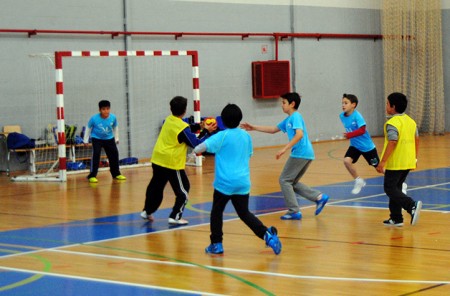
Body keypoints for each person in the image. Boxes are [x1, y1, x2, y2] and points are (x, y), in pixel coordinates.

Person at [194, 103, 281, 255]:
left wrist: (205, 136)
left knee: (216, 212)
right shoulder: (246, 136)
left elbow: (198, 148)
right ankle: (266, 235)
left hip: (224, 184)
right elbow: (249, 154)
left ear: (223, 121)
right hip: (242, 183)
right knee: (244, 214)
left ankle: (216, 244)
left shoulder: (221, 136)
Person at [241, 92, 329, 220]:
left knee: (284, 180)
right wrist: (253, 127)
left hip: (300, 153)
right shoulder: (289, 119)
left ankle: (294, 211)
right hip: (305, 153)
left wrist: (284, 149)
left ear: (292, 104)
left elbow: (299, 134)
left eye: (283, 103)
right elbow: (273, 129)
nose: (281, 105)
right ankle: (319, 197)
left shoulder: (296, 117)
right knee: (291, 182)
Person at [141, 96, 216, 225]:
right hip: (171, 163)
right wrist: (207, 131)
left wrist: (199, 126)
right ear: (185, 110)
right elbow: (196, 144)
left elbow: (185, 130)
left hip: (158, 159)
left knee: (156, 188)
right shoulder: (181, 127)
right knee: (183, 190)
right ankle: (175, 216)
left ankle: (147, 211)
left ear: (171, 108)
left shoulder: (168, 120)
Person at [376, 92, 421, 227]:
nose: (386, 106)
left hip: (396, 162)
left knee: (389, 188)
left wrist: (383, 162)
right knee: (397, 188)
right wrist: (415, 158)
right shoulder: (411, 121)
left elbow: (393, 141)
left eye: (387, 103)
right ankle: (396, 218)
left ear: (393, 106)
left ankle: (411, 205)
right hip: (407, 161)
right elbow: (416, 139)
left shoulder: (393, 123)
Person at [340, 93, 380, 194]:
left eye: (346, 103)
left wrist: (350, 135)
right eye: (342, 103)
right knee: (346, 161)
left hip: (367, 147)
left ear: (353, 105)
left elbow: (362, 130)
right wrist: (350, 136)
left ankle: (399, 183)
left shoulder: (357, 116)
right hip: (355, 146)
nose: (343, 105)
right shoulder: (342, 116)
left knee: (379, 168)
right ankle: (358, 181)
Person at [83, 100, 126, 183]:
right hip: (97, 139)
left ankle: (116, 174)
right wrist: (85, 140)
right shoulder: (94, 118)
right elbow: (88, 128)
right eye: (103, 109)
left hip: (109, 139)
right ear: (99, 110)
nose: (106, 111)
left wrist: (117, 138)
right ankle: (92, 175)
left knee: (114, 154)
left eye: (107, 109)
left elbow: (115, 127)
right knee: (96, 155)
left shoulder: (113, 117)